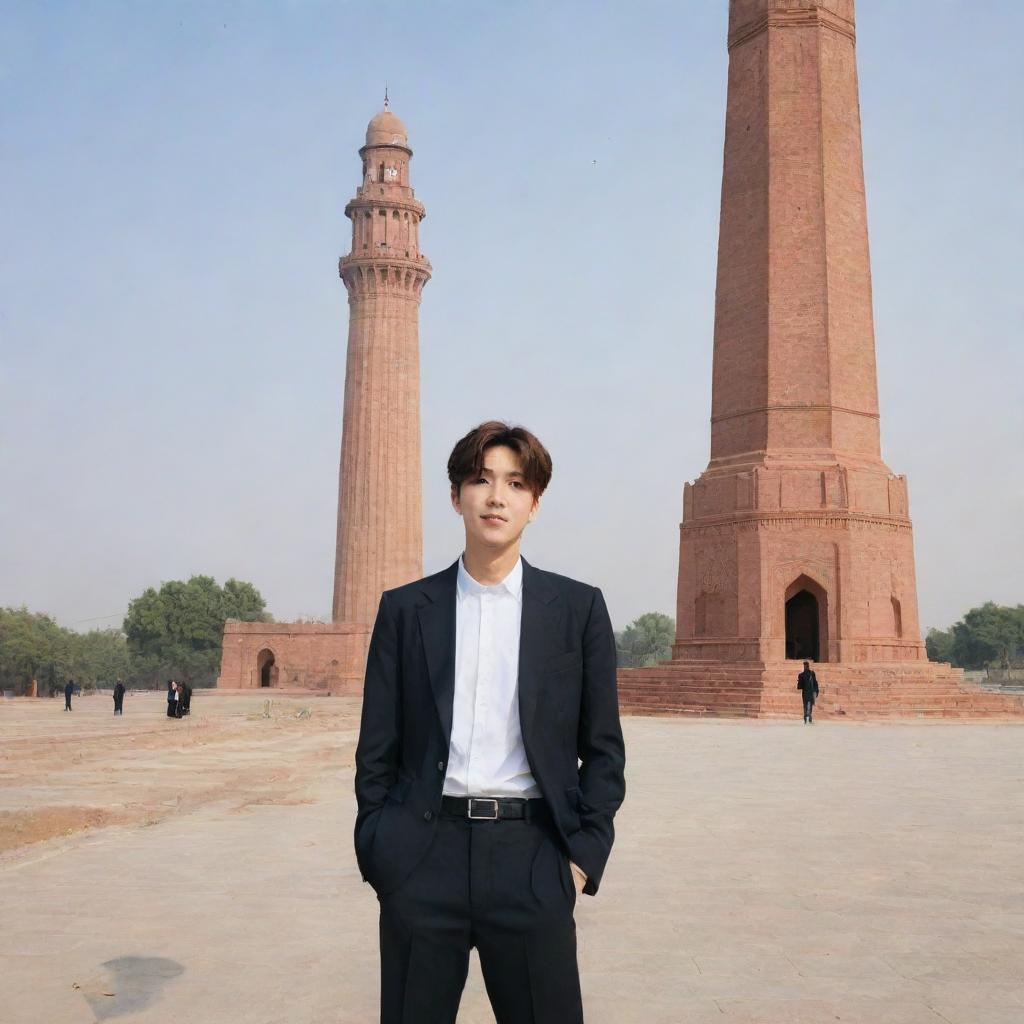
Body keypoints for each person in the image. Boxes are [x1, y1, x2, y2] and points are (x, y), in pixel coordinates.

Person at [354, 421, 626, 1024]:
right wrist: (380, 848)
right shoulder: (406, 610)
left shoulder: (576, 611)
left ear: (535, 503)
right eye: (481, 480)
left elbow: (603, 748)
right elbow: (377, 747)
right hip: (425, 856)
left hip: (532, 857)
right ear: (456, 497)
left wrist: (582, 855)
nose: (496, 496)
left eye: (515, 483)